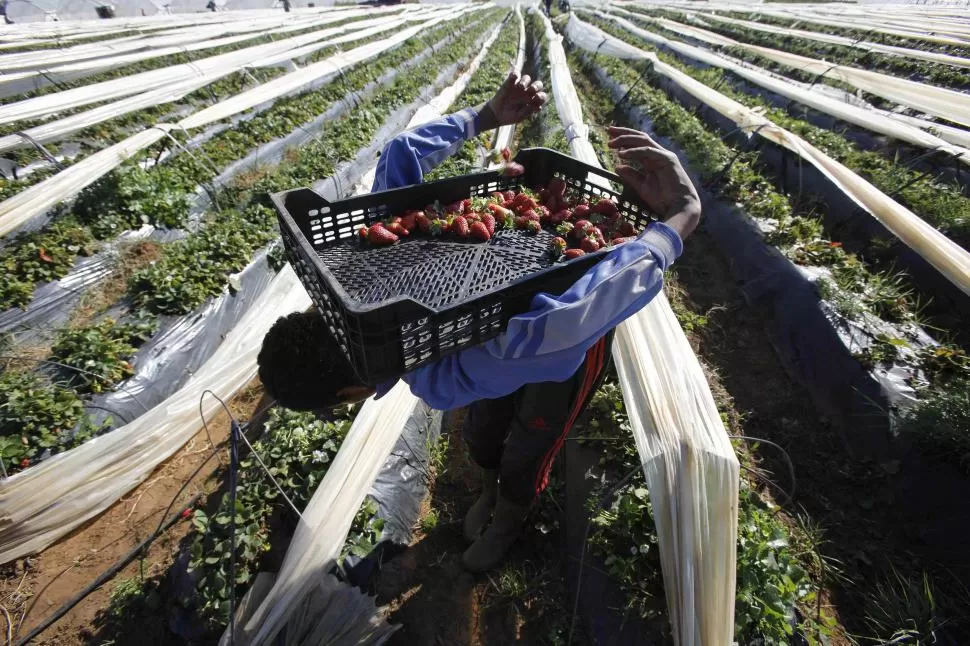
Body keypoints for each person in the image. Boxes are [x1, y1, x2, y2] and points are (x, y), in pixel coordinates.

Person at [258, 73, 701, 573]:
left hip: (568, 345)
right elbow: (401, 152)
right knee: (485, 431)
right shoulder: (366, 273)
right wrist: (485, 116)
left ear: (346, 395)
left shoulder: (438, 377)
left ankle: (510, 515)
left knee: (535, 439)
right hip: (522, 337)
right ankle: (490, 491)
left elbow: (567, 322)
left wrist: (677, 225)